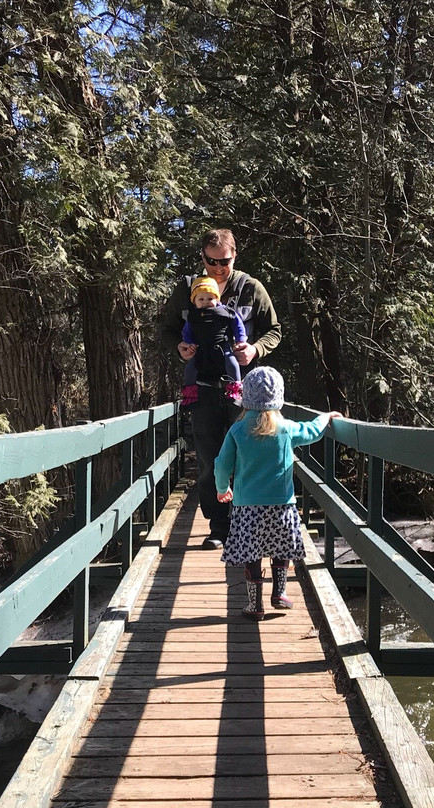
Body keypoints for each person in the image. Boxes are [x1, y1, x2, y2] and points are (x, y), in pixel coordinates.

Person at [159, 228, 283, 549]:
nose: (217, 268)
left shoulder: (251, 289)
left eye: (224, 262)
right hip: (202, 391)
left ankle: (248, 525)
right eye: (211, 261)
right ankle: (219, 527)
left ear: (234, 256)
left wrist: (255, 349)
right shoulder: (187, 290)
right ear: (202, 257)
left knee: (248, 457)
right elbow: (168, 329)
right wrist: (180, 347)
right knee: (210, 459)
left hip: (244, 393)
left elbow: (274, 330)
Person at [214, 367, 342, 619]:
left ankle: (255, 605)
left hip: (247, 507)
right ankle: (280, 593)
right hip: (282, 505)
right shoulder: (285, 428)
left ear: (246, 398)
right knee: (281, 548)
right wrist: (324, 418)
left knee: (252, 554)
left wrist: (222, 488)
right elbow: (311, 432)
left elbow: (222, 463)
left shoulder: (237, 430)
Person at [180, 276, 247, 409]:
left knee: (232, 364)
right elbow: (187, 333)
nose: (205, 302)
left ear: (217, 298)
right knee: (190, 369)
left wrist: (241, 340)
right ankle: (190, 396)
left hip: (223, 347)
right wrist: (189, 345)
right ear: (194, 301)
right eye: (201, 299)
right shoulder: (193, 317)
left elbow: (238, 326)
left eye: (210, 298)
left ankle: (235, 391)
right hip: (201, 350)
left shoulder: (226, 312)